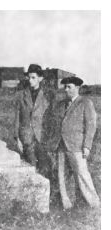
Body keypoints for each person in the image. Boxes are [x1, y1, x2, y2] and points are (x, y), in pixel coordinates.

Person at [49, 76, 100, 210]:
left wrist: (87, 146)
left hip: (77, 146)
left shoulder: (85, 102)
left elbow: (91, 125)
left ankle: (94, 204)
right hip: (61, 144)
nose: (66, 90)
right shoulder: (62, 104)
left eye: (69, 87)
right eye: (65, 87)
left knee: (82, 174)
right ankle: (67, 204)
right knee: (62, 175)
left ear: (77, 88)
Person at [14, 64, 56, 187]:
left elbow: (51, 119)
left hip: (42, 138)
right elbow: (17, 118)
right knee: (30, 166)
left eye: (33, 77)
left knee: (44, 167)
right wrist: (17, 139)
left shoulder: (47, 96)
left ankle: (44, 194)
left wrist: (50, 138)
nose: (30, 80)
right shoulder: (21, 95)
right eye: (29, 77)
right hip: (26, 137)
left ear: (40, 78)